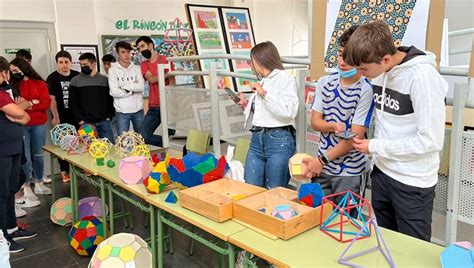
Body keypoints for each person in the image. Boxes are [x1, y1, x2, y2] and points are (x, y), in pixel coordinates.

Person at [342, 20, 448, 241]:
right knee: (385, 244)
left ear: (386, 59)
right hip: (382, 173)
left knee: (413, 253)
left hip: (412, 183)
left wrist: (375, 146)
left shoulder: (422, 78)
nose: (361, 74)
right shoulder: (380, 71)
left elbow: (431, 141)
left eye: (364, 69)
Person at [302, 25, 374, 204]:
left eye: (348, 57)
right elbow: (315, 122)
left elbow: (355, 138)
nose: (342, 61)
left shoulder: (366, 89)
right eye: (340, 54)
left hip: (350, 171)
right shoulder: (325, 82)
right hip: (322, 168)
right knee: (317, 218)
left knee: (346, 225)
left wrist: (322, 160)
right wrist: (333, 127)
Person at [236, 41, 298, 189]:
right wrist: (246, 104)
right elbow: (263, 114)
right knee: (251, 189)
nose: (250, 64)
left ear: (260, 59)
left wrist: (264, 94)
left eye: (251, 60)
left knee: (274, 192)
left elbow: (288, 112)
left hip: (279, 140)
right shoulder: (263, 80)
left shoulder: (285, 78)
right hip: (257, 138)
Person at [0, 56, 37, 253]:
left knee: (11, 189)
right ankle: (3, 239)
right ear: (4, 72)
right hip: (2, 150)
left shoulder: (7, 91)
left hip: (14, 147)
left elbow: (25, 115)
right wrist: (17, 111)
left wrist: (17, 112)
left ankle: (12, 229)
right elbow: (18, 110)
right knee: (2, 193)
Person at [10, 58, 52, 204]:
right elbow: (15, 106)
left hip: (39, 124)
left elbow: (45, 103)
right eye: (11, 71)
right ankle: (26, 186)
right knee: (25, 157)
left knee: (38, 155)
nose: (14, 73)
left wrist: (28, 104)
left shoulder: (40, 83)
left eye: (16, 70)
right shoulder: (12, 85)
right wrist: (33, 102)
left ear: (24, 68)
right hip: (21, 125)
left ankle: (39, 182)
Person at [47, 51, 80, 182]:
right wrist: (55, 117)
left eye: (66, 62)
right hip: (61, 116)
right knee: (63, 144)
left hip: (76, 116)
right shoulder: (52, 78)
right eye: (61, 62)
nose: (64, 65)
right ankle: (64, 170)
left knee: (79, 142)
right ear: (57, 63)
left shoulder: (76, 76)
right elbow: (52, 99)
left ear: (70, 62)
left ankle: (77, 168)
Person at [136, 36, 175, 147]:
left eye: (142, 46)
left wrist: (172, 105)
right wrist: (168, 74)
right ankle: (170, 145)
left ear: (151, 45)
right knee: (142, 136)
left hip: (168, 105)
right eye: (139, 49)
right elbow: (152, 79)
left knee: (171, 134)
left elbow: (172, 83)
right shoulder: (144, 64)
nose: (141, 50)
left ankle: (170, 147)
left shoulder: (166, 60)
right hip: (154, 106)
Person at [69, 53, 115, 143]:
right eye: (81, 65)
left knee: (110, 149)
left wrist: (109, 116)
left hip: (104, 122)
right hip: (86, 123)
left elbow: (110, 100)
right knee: (88, 150)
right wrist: (80, 120)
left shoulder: (104, 80)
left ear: (93, 64)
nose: (82, 67)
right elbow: (72, 103)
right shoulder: (75, 81)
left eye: (85, 65)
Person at [108, 41, 145, 135]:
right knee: (123, 141)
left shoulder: (137, 68)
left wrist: (124, 87)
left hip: (138, 111)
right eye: (123, 52)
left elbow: (141, 87)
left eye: (128, 52)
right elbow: (114, 92)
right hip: (122, 112)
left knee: (142, 139)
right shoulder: (112, 70)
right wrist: (131, 91)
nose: (126, 55)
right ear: (118, 53)